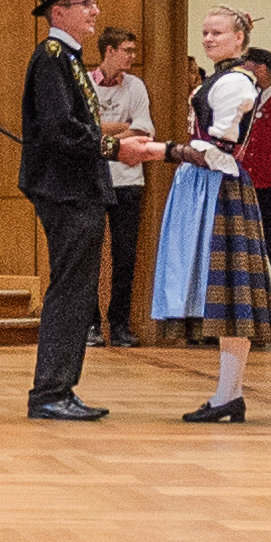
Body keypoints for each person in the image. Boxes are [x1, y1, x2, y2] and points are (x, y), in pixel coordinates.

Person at [20, 0, 160, 420]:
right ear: (57, 12)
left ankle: (61, 386)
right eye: (85, 3)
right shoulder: (52, 58)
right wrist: (116, 146)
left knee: (79, 291)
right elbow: (60, 129)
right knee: (70, 290)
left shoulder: (70, 58)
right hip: (65, 188)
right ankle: (49, 392)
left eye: (93, 3)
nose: (94, 11)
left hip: (79, 187)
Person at [155, 10, 271, 425]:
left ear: (239, 38)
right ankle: (230, 393)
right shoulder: (221, 79)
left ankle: (229, 394)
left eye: (218, 32)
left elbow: (219, 149)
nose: (208, 38)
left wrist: (166, 150)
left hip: (217, 186)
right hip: (205, 185)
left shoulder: (235, 82)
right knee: (223, 294)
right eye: (205, 32)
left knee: (228, 294)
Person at [91, 32, 154, 346]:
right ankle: (90, 325)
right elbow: (82, 128)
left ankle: (119, 325)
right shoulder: (85, 84)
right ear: (109, 50)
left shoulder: (136, 86)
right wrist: (122, 127)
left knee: (125, 256)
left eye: (134, 50)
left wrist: (102, 130)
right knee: (88, 255)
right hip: (92, 179)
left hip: (129, 181)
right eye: (127, 51)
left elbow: (143, 129)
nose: (131, 57)